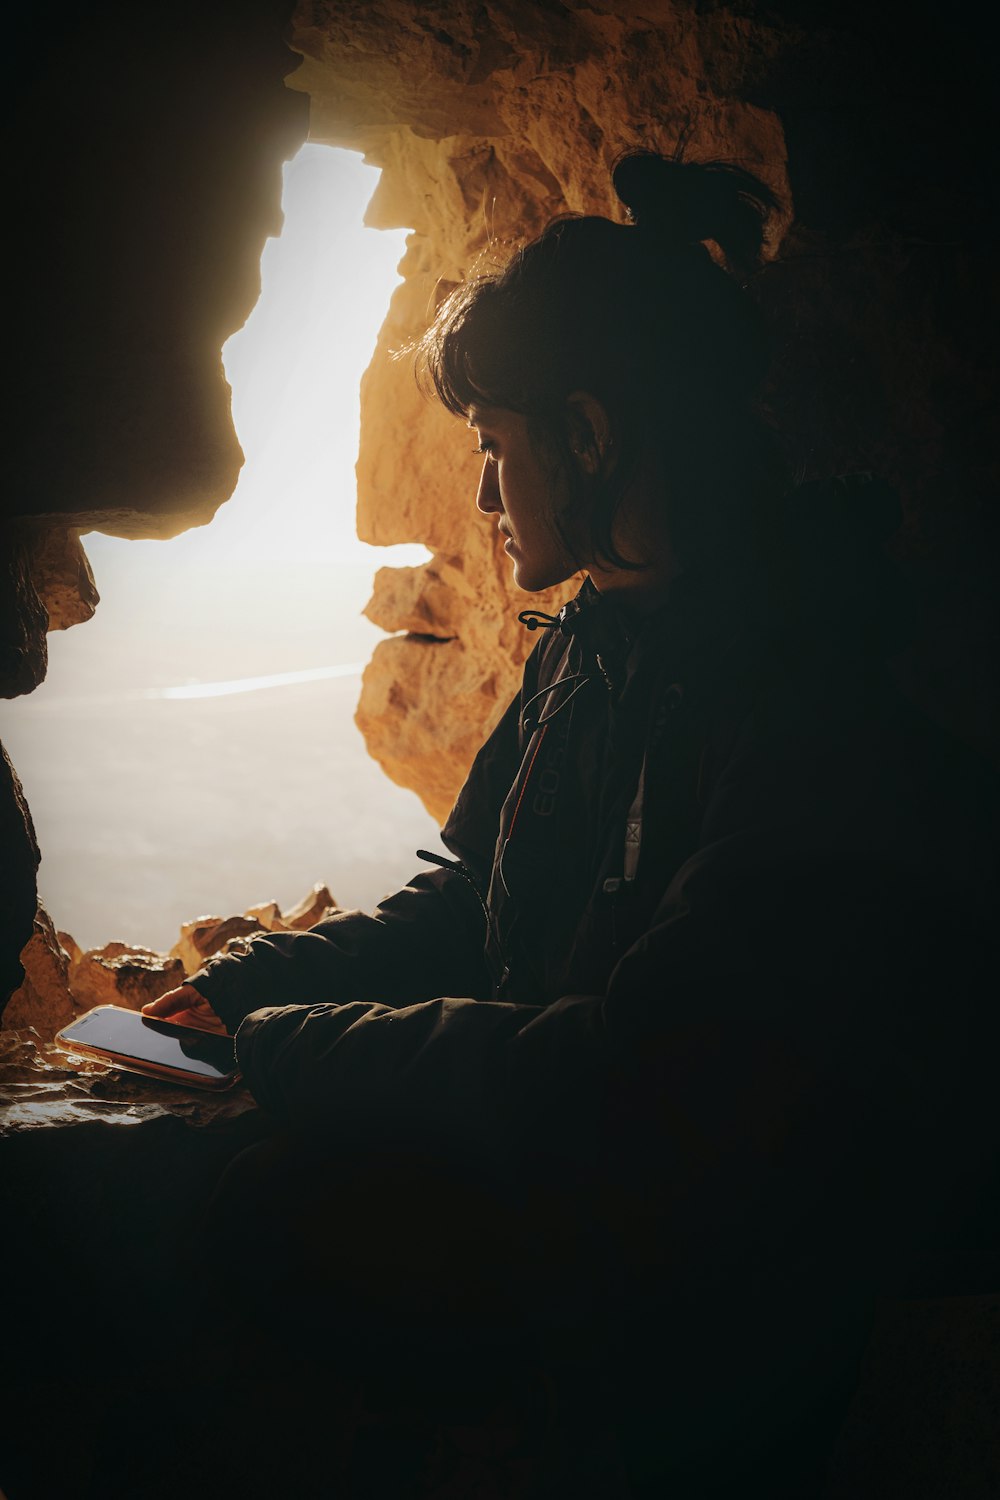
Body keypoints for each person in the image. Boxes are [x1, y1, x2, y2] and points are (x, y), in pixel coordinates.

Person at [140, 152, 998, 1497]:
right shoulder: (596, 643)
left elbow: (637, 1075)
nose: (484, 497)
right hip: (606, 1214)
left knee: (264, 1224)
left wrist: (300, 1052)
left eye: (495, 444)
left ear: (588, 436)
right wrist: (258, 986)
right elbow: (475, 894)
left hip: (716, 1299)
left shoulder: (813, 706)